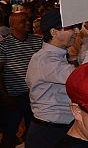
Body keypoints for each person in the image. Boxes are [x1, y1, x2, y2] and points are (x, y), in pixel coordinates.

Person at [26, 11, 88, 148]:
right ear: (53, 32)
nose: (76, 31)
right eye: (70, 27)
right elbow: (84, 78)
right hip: (49, 133)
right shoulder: (45, 60)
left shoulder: (57, 56)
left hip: (57, 128)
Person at [0, 10, 43, 148]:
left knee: (33, 131)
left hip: (35, 94)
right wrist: (5, 96)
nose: (28, 23)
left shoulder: (38, 41)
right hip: (14, 96)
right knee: (10, 131)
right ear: (12, 26)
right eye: (23, 21)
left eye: (28, 20)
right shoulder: (4, 46)